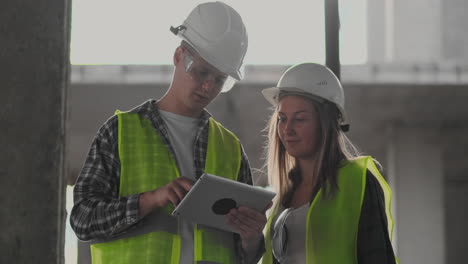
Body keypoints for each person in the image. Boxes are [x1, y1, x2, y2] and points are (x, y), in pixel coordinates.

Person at [70, 2, 267, 264]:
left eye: (219, 79)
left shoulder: (230, 148)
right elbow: (83, 219)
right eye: (201, 71)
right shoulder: (120, 132)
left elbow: (244, 256)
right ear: (178, 56)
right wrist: (150, 200)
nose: (208, 86)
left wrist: (251, 238)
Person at [259, 63, 398, 264]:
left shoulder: (357, 183)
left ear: (325, 123)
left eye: (299, 119)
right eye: (282, 119)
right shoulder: (284, 195)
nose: (287, 129)